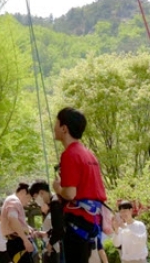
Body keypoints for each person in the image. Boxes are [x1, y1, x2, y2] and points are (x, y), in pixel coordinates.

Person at [52, 107, 107, 263]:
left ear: (64, 128)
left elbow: (70, 194)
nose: (54, 127)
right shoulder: (89, 154)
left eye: (56, 122)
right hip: (92, 220)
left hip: (78, 220)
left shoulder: (70, 154)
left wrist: (57, 188)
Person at [28, 180, 63, 263]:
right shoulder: (54, 203)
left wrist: (50, 243)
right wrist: (46, 233)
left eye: (34, 198)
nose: (35, 201)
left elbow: (59, 229)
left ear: (41, 193)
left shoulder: (56, 203)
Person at [0, 182, 34, 263]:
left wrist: (27, 228)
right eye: (28, 198)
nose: (28, 202)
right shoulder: (14, 200)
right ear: (23, 192)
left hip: (16, 241)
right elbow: (12, 219)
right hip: (17, 242)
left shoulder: (12, 201)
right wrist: (25, 240)